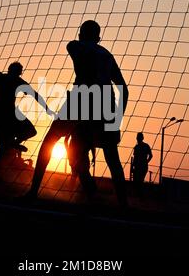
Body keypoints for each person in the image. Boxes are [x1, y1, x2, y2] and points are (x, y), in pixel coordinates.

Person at [25, 20, 129, 206]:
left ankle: (33, 192)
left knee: (50, 141)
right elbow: (124, 89)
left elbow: (77, 48)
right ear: (99, 37)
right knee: (110, 156)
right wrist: (117, 119)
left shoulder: (74, 46)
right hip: (106, 102)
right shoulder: (107, 56)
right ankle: (123, 204)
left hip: (82, 97)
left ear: (81, 34)